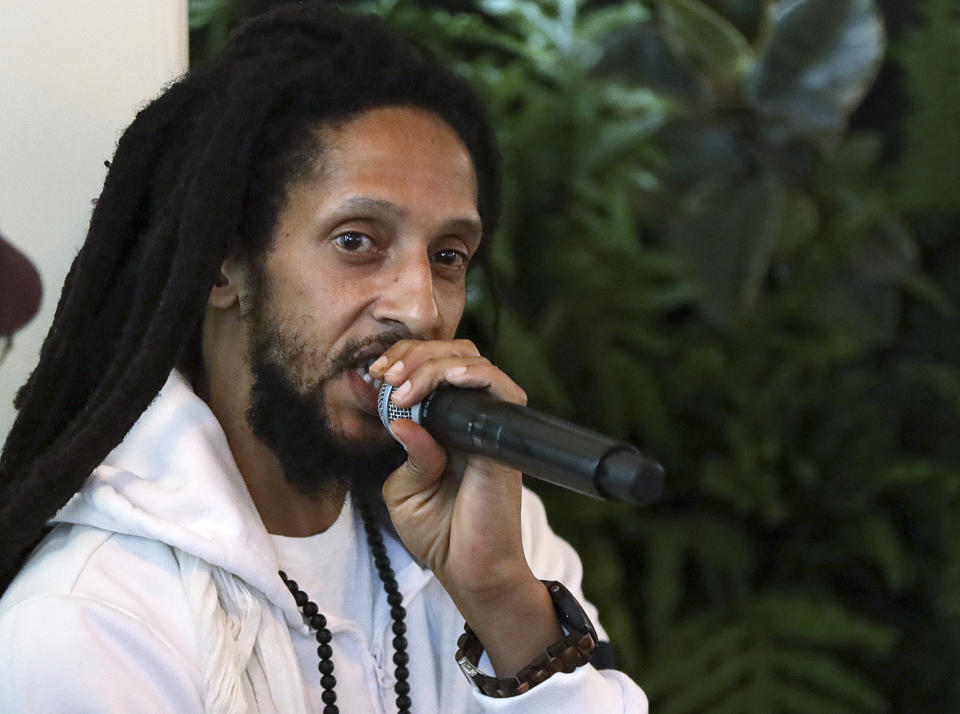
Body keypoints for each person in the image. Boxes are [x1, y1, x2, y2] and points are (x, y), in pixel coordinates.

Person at [0, 4, 648, 712]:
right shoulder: (96, 625)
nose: (421, 307)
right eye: (356, 241)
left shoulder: (497, 538)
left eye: (448, 256)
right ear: (224, 266)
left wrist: (499, 598)